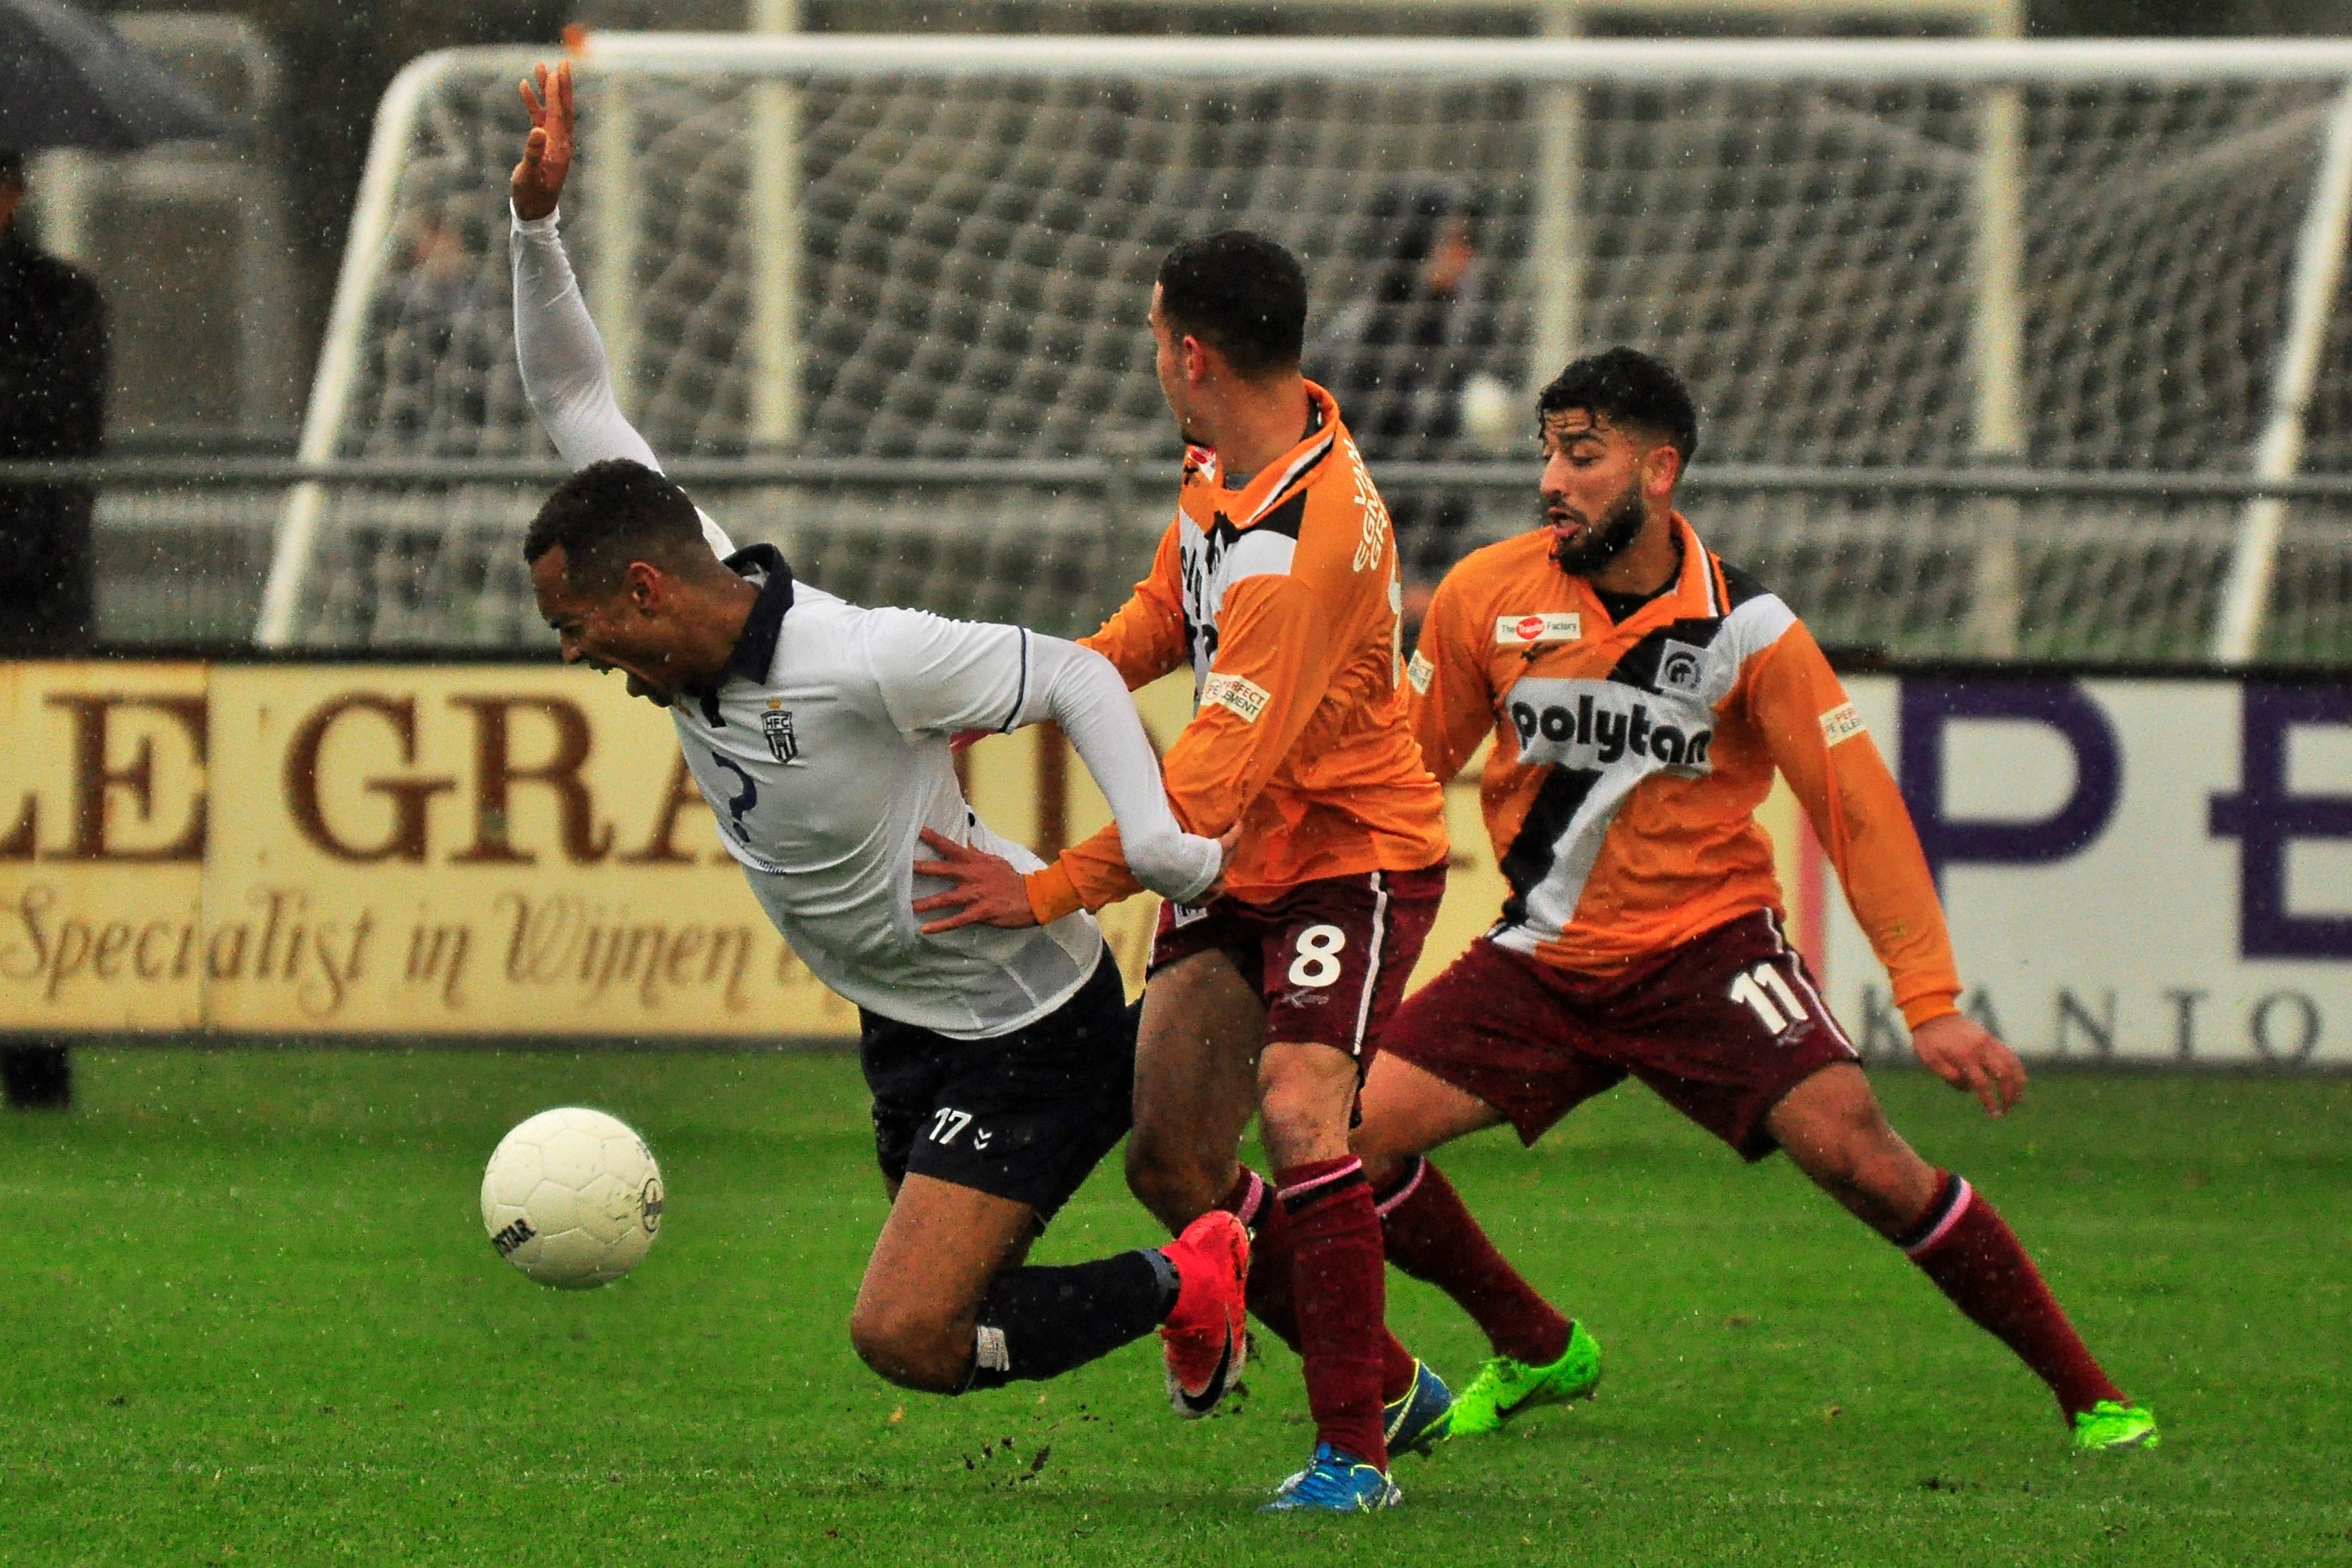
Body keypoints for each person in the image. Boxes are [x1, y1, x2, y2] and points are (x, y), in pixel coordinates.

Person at [507, 62, 1248, 1407]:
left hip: (1022, 1020)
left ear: (646, 591)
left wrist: (1149, 842)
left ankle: (1198, 1278)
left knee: (905, 1332)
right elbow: (573, 402)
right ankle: (1233, 1278)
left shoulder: (856, 657)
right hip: (908, 1022)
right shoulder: (680, 589)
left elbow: (1079, 676)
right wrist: (537, 228)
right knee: (955, 1318)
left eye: (578, 625)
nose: (573, 652)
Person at [1344, 346, 2159, 1454]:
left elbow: (1856, 809)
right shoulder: (1487, 594)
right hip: (1540, 962)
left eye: (1583, 456)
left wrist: (1928, 999)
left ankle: (2091, 1395)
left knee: (1865, 1161)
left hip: (1707, 958)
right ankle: (1535, 1344)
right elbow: (1405, 772)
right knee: (1339, 1138)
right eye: (1549, 454)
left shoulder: (1747, 627)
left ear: (1659, 469)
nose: (1552, 481)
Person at [913, 230, 1455, 1511]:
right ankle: (1391, 1381)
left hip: (1347, 856)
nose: (1153, 355)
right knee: (1167, 1159)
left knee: (1301, 1109)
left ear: (1194, 353)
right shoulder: (1224, 455)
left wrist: (1043, 890)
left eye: (1156, 334)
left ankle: (1355, 1459)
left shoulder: (1303, 542)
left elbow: (1199, 793)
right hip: (1235, 863)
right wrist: (1024, 690)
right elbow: (1167, 611)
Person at [0, 148, 108, 1112]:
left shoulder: (61, 302)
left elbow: (56, 425)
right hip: (41, 601)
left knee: (37, 835)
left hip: (33, 607)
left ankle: (37, 1051)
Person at [1310, 181, 1500, 622]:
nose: (1464, 254)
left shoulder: (1464, 330)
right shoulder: (1360, 342)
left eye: (1468, 241)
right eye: (1452, 240)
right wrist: (1399, 578)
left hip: (1438, 560)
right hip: (1366, 568)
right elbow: (1355, 469)